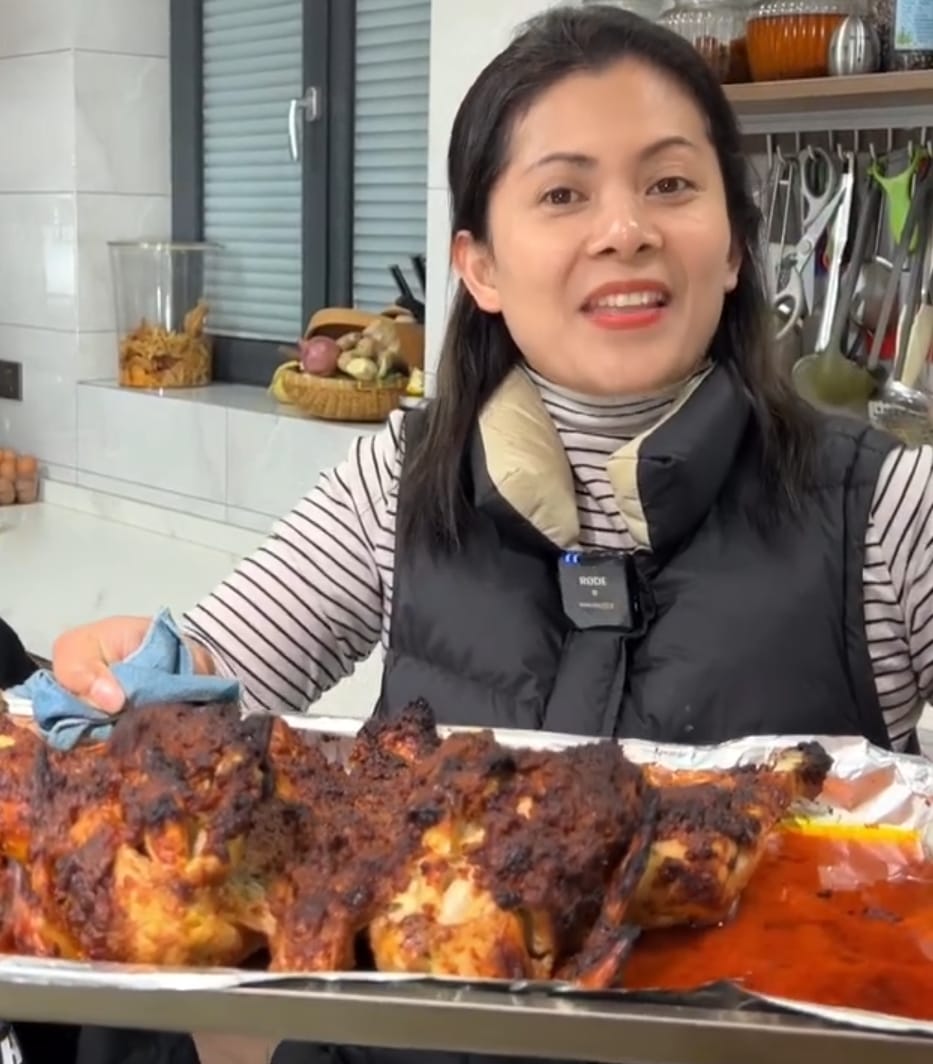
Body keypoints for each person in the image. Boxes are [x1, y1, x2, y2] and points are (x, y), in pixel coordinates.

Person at [43, 2, 933, 1061]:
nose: (626, 228)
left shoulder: (882, 507)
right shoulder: (401, 476)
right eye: (563, 193)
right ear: (481, 267)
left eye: (672, 183)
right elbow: (204, 680)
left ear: (735, 244)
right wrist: (124, 674)